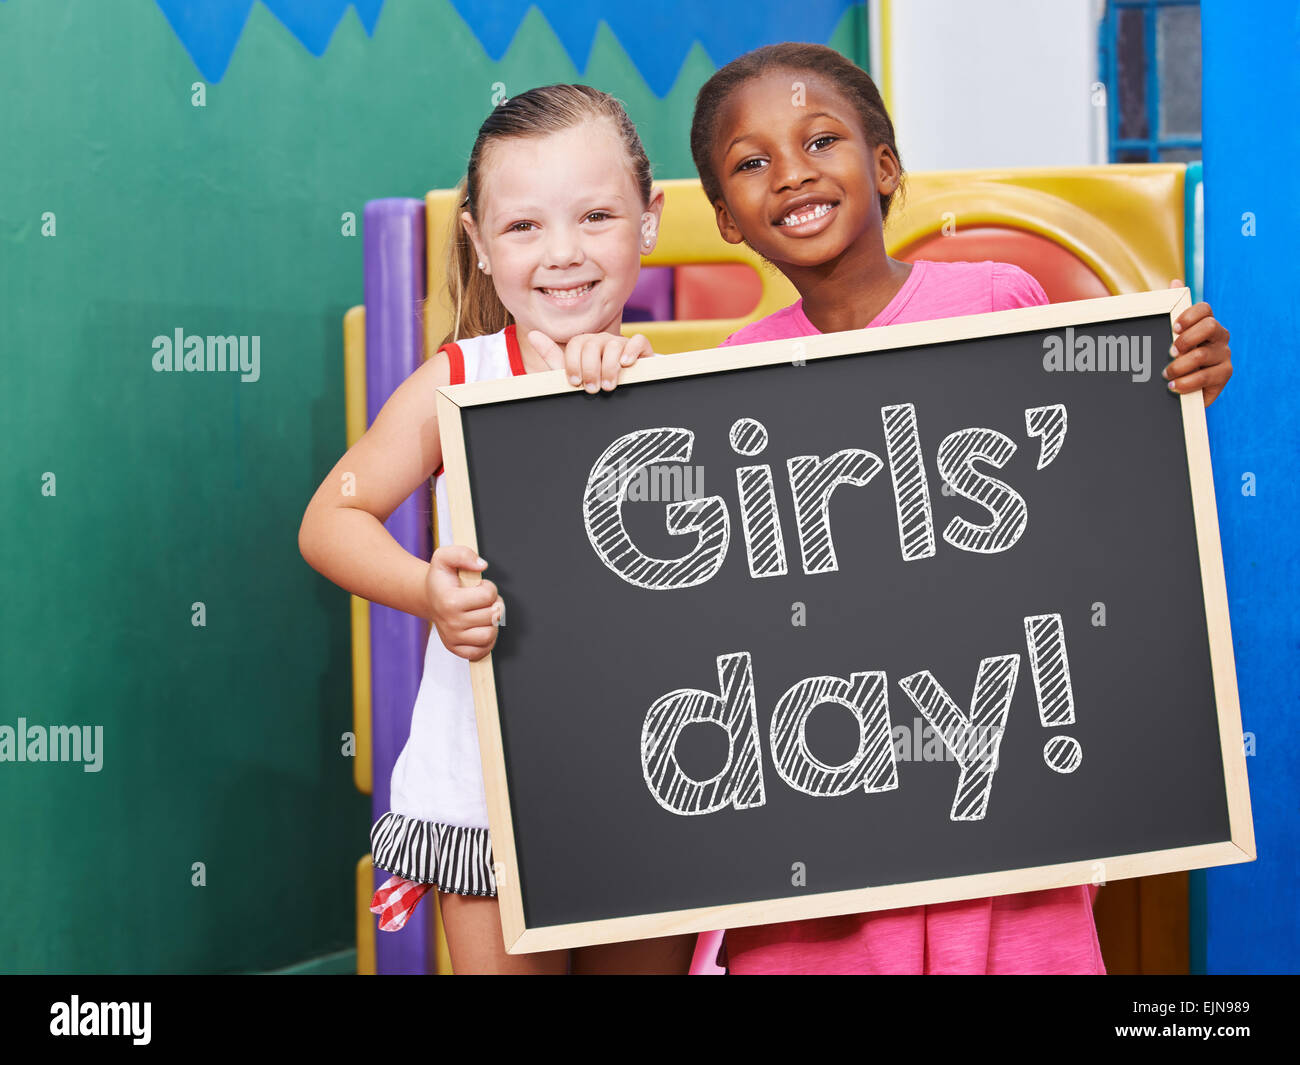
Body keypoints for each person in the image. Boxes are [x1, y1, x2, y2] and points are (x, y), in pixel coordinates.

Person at [688, 42, 1234, 974]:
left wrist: (1174, 381)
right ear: (726, 219)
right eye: (752, 162)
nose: (792, 175)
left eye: (822, 139)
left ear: (886, 166)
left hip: (997, 802)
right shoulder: (737, 371)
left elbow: (1083, 486)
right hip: (829, 815)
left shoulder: (992, 302)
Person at [300, 84, 695, 975]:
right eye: (523, 228)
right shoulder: (457, 380)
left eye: (596, 215)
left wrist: (634, 400)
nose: (563, 254)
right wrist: (426, 592)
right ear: (477, 243)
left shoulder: (681, 387)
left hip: (652, 777)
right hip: (489, 783)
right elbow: (332, 516)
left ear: (649, 220)